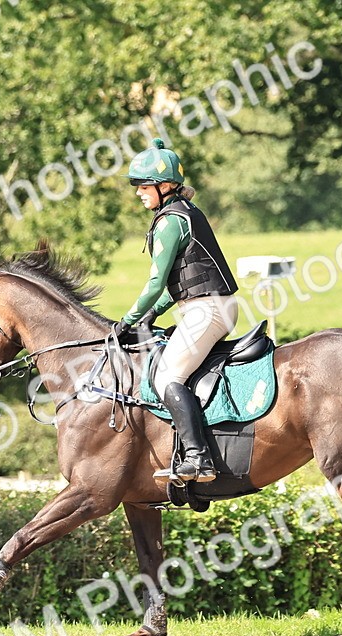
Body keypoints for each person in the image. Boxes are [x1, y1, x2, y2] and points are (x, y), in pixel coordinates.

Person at [111, 137, 239, 483]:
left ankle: (199, 459)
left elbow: (156, 283)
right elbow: (179, 284)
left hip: (207, 311)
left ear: (165, 186)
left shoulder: (170, 221)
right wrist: (155, 314)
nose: (137, 191)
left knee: (168, 376)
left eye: (142, 184)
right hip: (209, 306)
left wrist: (128, 320)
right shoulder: (184, 213)